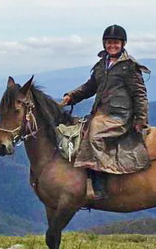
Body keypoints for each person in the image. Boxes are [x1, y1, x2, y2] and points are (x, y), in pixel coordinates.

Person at [60, 24, 151, 202]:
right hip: (101, 113)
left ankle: (100, 184)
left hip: (120, 115)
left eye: (116, 43)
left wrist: (141, 119)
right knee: (78, 132)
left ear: (123, 44)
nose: (112, 46)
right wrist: (71, 97)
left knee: (94, 136)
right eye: (109, 43)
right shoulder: (102, 65)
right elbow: (90, 87)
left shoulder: (129, 66)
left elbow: (140, 94)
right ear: (104, 44)